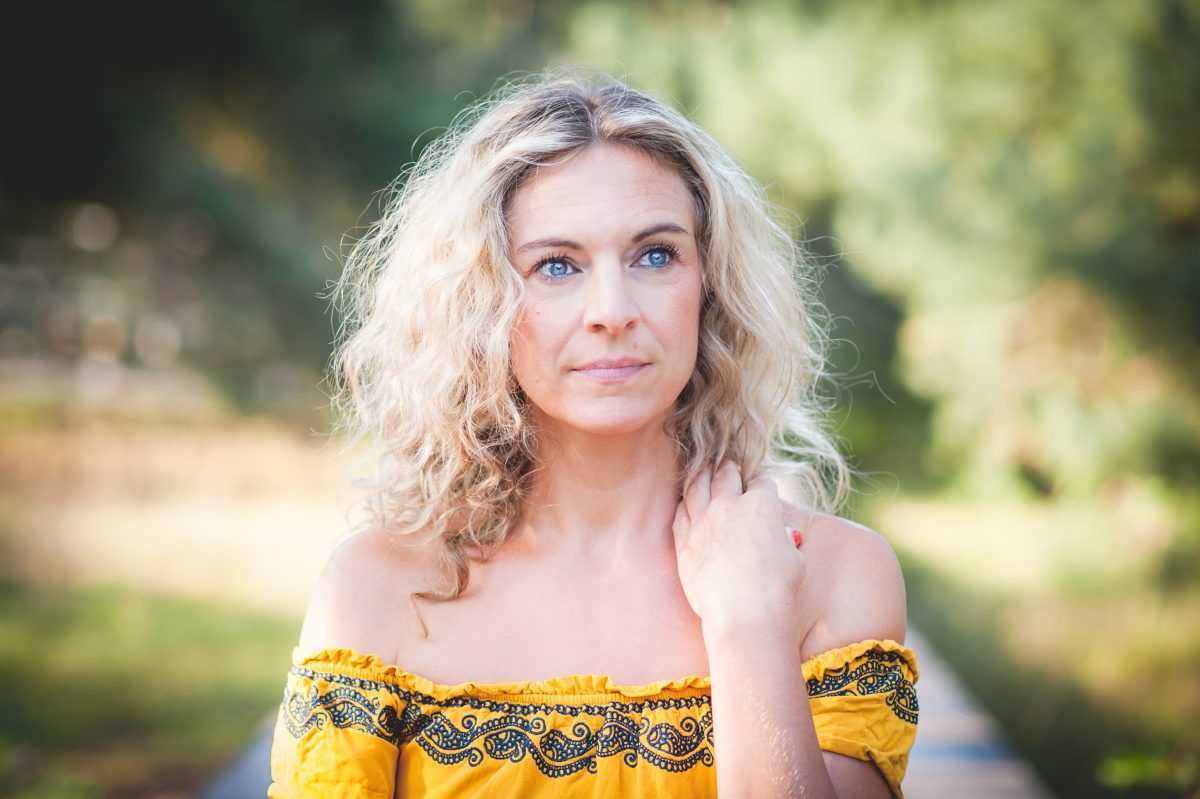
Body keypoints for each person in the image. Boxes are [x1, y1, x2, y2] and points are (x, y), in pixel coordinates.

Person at [268, 70, 918, 799]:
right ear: (481, 301)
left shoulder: (831, 574)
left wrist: (750, 624)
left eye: (655, 254)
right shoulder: (378, 587)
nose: (612, 310)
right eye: (556, 265)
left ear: (710, 284)